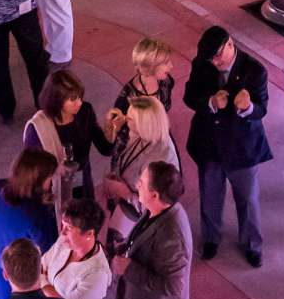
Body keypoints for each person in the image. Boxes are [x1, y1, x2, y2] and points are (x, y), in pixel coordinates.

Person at [183, 28, 273, 266]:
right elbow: (189, 96)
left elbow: (262, 109)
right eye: (211, 58)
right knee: (209, 195)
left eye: (217, 56)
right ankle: (211, 238)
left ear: (230, 45)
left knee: (248, 200)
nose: (214, 62)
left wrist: (247, 107)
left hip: (242, 147)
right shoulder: (202, 64)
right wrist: (210, 102)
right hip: (209, 144)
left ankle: (252, 244)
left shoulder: (254, 70)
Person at [111, 161, 192, 299]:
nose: (137, 184)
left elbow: (174, 286)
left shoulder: (172, 234)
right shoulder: (159, 211)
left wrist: (130, 269)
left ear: (154, 195)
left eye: (142, 182)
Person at [0, 149, 59, 299]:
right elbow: (48, 249)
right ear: (38, 180)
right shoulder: (37, 213)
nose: (51, 184)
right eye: (50, 179)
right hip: (20, 277)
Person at [23, 69, 106, 211]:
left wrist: (111, 129)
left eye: (80, 96)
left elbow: (105, 148)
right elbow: (32, 172)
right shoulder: (37, 129)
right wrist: (55, 170)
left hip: (83, 180)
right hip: (54, 188)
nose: (79, 103)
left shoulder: (85, 111)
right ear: (56, 99)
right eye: (73, 99)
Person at [100, 94, 176, 229]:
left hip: (136, 219)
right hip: (123, 205)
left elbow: (154, 208)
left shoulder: (161, 158)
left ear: (144, 125)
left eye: (129, 119)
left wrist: (124, 192)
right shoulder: (143, 134)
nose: (124, 120)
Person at [112, 36, 178, 124]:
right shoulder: (129, 96)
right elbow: (119, 122)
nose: (171, 66)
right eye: (166, 63)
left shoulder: (167, 81)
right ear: (150, 67)